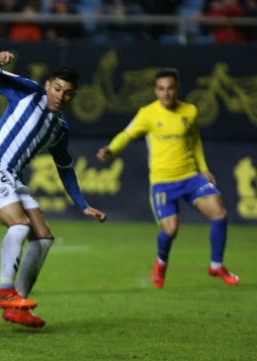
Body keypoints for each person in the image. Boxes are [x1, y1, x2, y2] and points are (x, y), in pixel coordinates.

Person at [0, 51, 107, 328]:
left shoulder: (60, 129)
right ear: (47, 85)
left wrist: (82, 204)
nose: (60, 96)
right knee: (19, 225)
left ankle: (17, 304)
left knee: (43, 237)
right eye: (56, 89)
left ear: (74, 96)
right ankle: (4, 291)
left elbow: (65, 168)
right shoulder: (28, 92)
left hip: (13, 180)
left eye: (67, 93)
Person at [96, 68, 239, 289]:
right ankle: (161, 262)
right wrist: (110, 149)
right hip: (163, 182)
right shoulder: (147, 114)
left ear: (177, 88)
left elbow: (195, 141)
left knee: (219, 213)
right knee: (171, 230)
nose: (166, 93)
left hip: (191, 177)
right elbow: (127, 134)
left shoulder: (190, 111)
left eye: (170, 88)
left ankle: (216, 265)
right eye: (161, 89)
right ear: (156, 90)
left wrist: (204, 169)